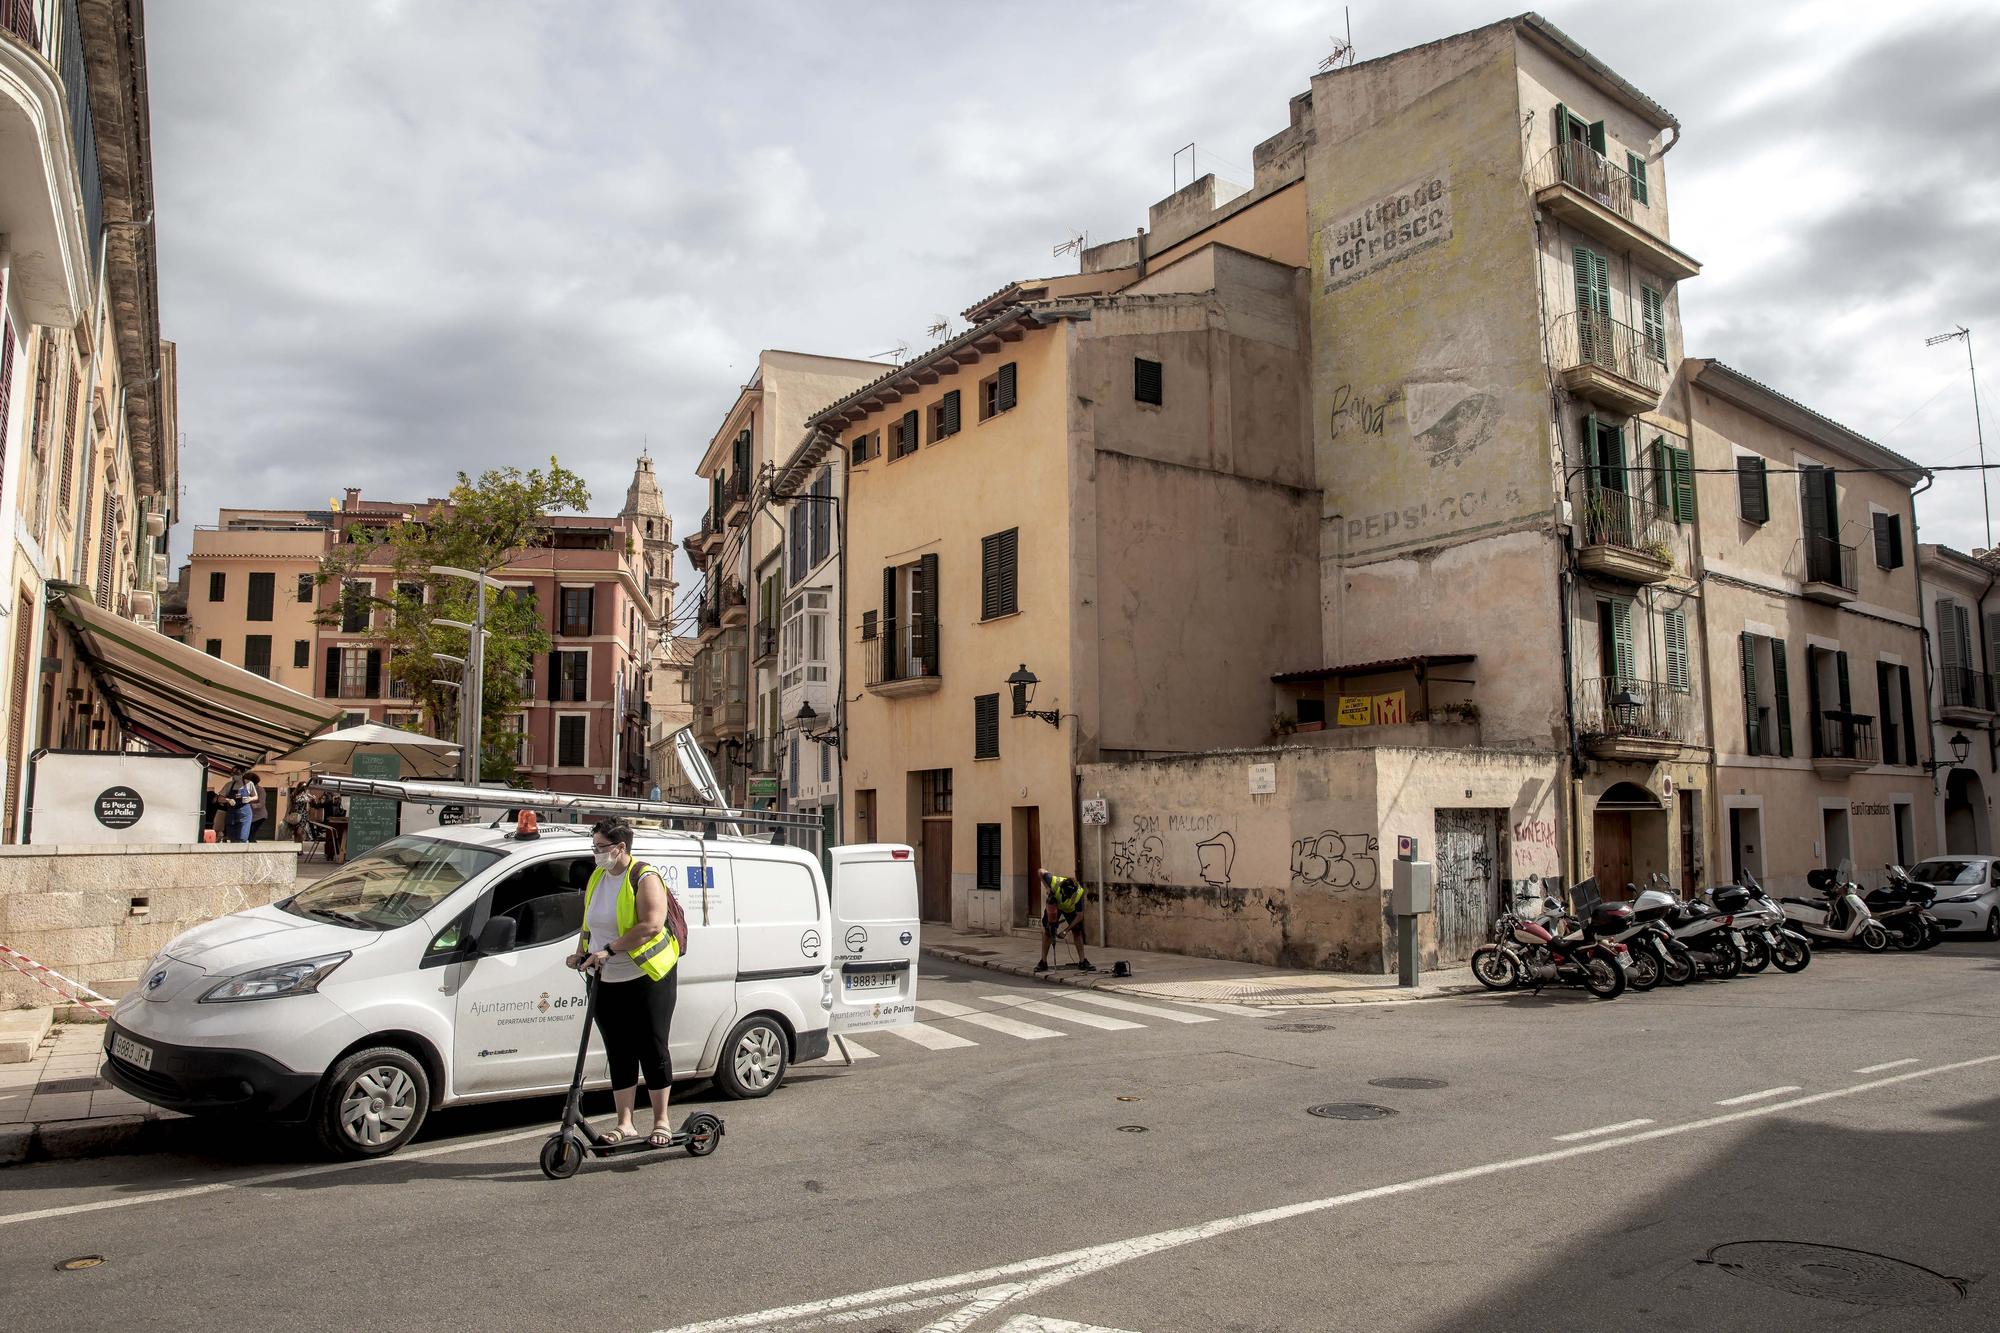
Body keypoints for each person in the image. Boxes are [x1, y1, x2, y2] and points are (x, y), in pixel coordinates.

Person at [566, 819, 681, 1147]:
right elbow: (589, 923)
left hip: (646, 977)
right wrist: (582, 953)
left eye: (601, 848)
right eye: (595, 847)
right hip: (605, 978)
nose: (596, 854)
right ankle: (625, 1123)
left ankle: (662, 1120)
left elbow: (652, 925)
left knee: (652, 1046)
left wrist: (611, 950)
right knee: (619, 1050)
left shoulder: (644, 877)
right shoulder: (598, 878)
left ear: (620, 848)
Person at [1036, 868, 1094, 973]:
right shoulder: (1054, 881)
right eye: (1064, 894)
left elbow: (1079, 916)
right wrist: (1047, 887)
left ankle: (1082, 961)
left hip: (1070, 909)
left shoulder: (1079, 893)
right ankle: (1043, 962)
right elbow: (1040, 871)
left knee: (1077, 931)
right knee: (1048, 930)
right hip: (1054, 905)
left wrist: (1066, 931)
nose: (1065, 897)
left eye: (1068, 896)